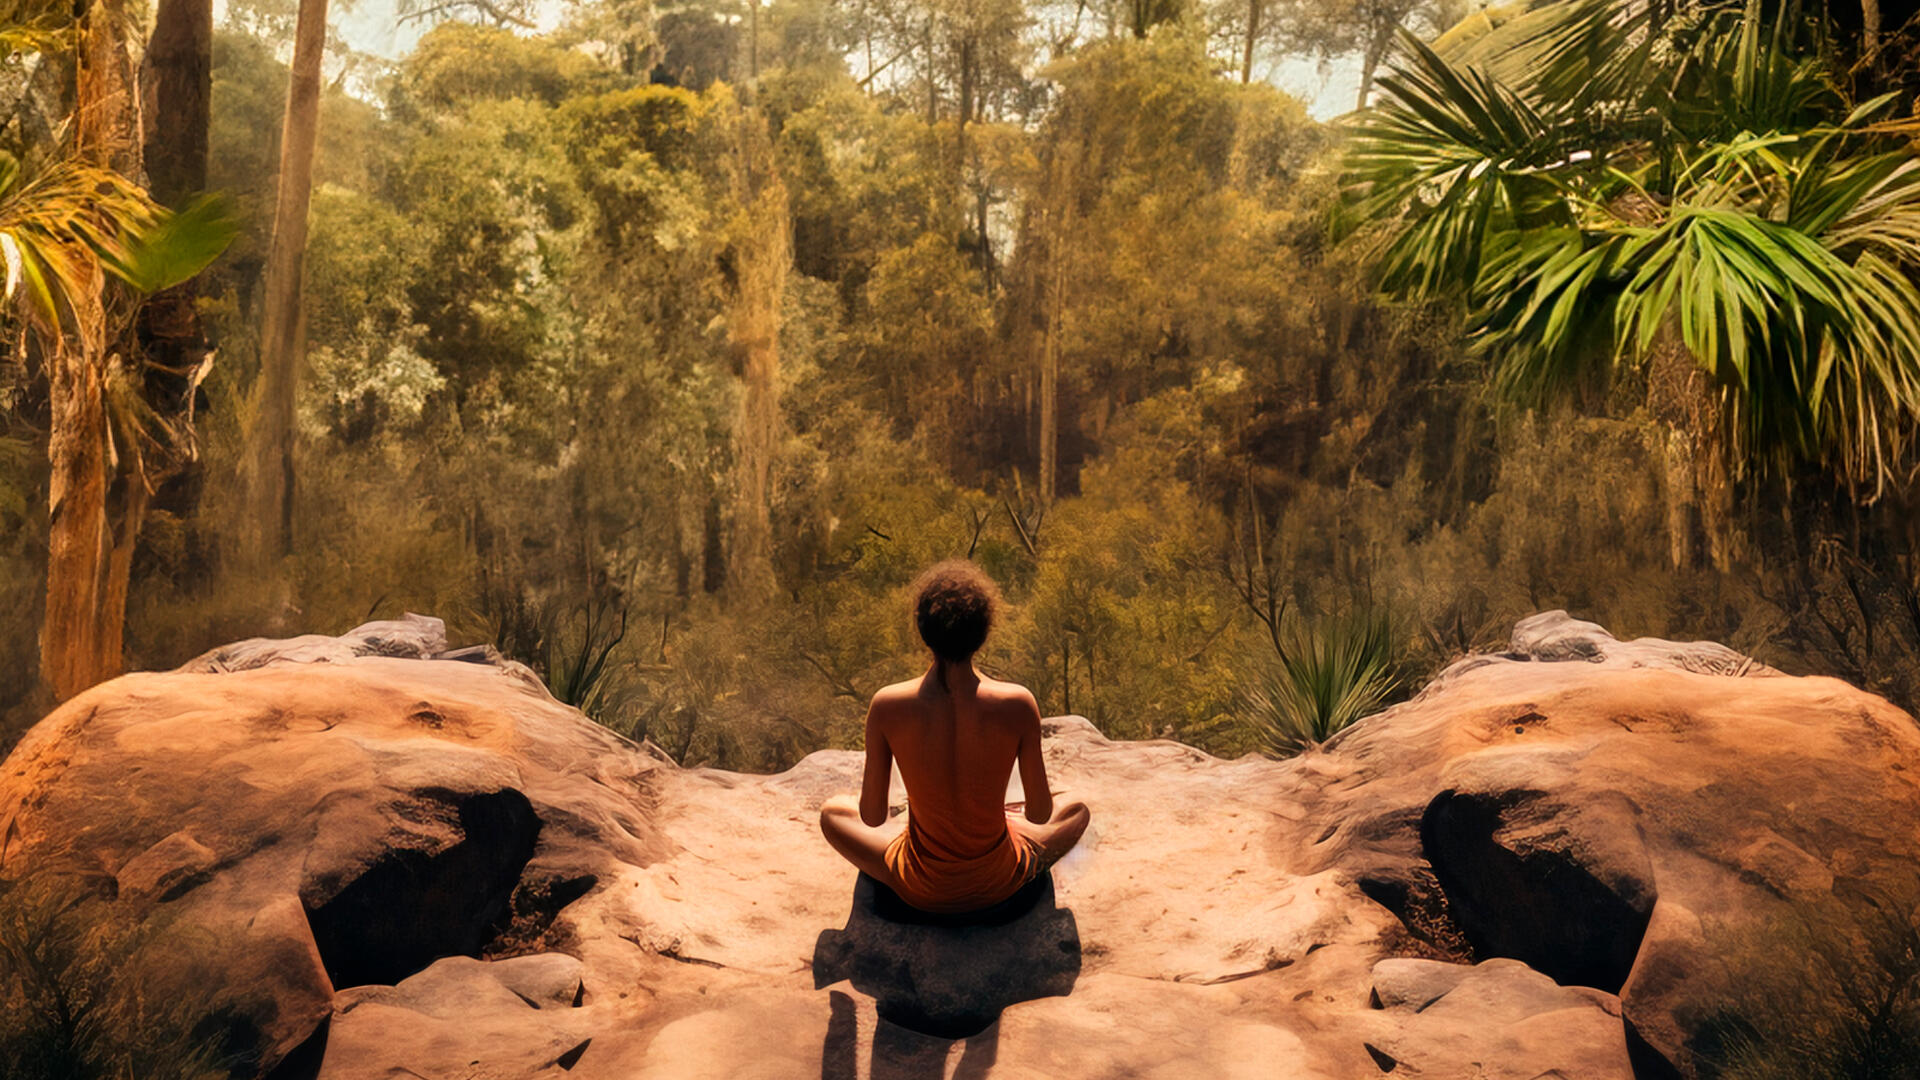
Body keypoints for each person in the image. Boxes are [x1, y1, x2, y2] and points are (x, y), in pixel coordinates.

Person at [819, 560, 1091, 915]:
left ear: (923, 630)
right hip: (1000, 881)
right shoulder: (1018, 703)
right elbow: (1040, 815)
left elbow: (872, 817)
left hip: (919, 885)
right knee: (1076, 809)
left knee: (832, 813)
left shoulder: (887, 704)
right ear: (984, 631)